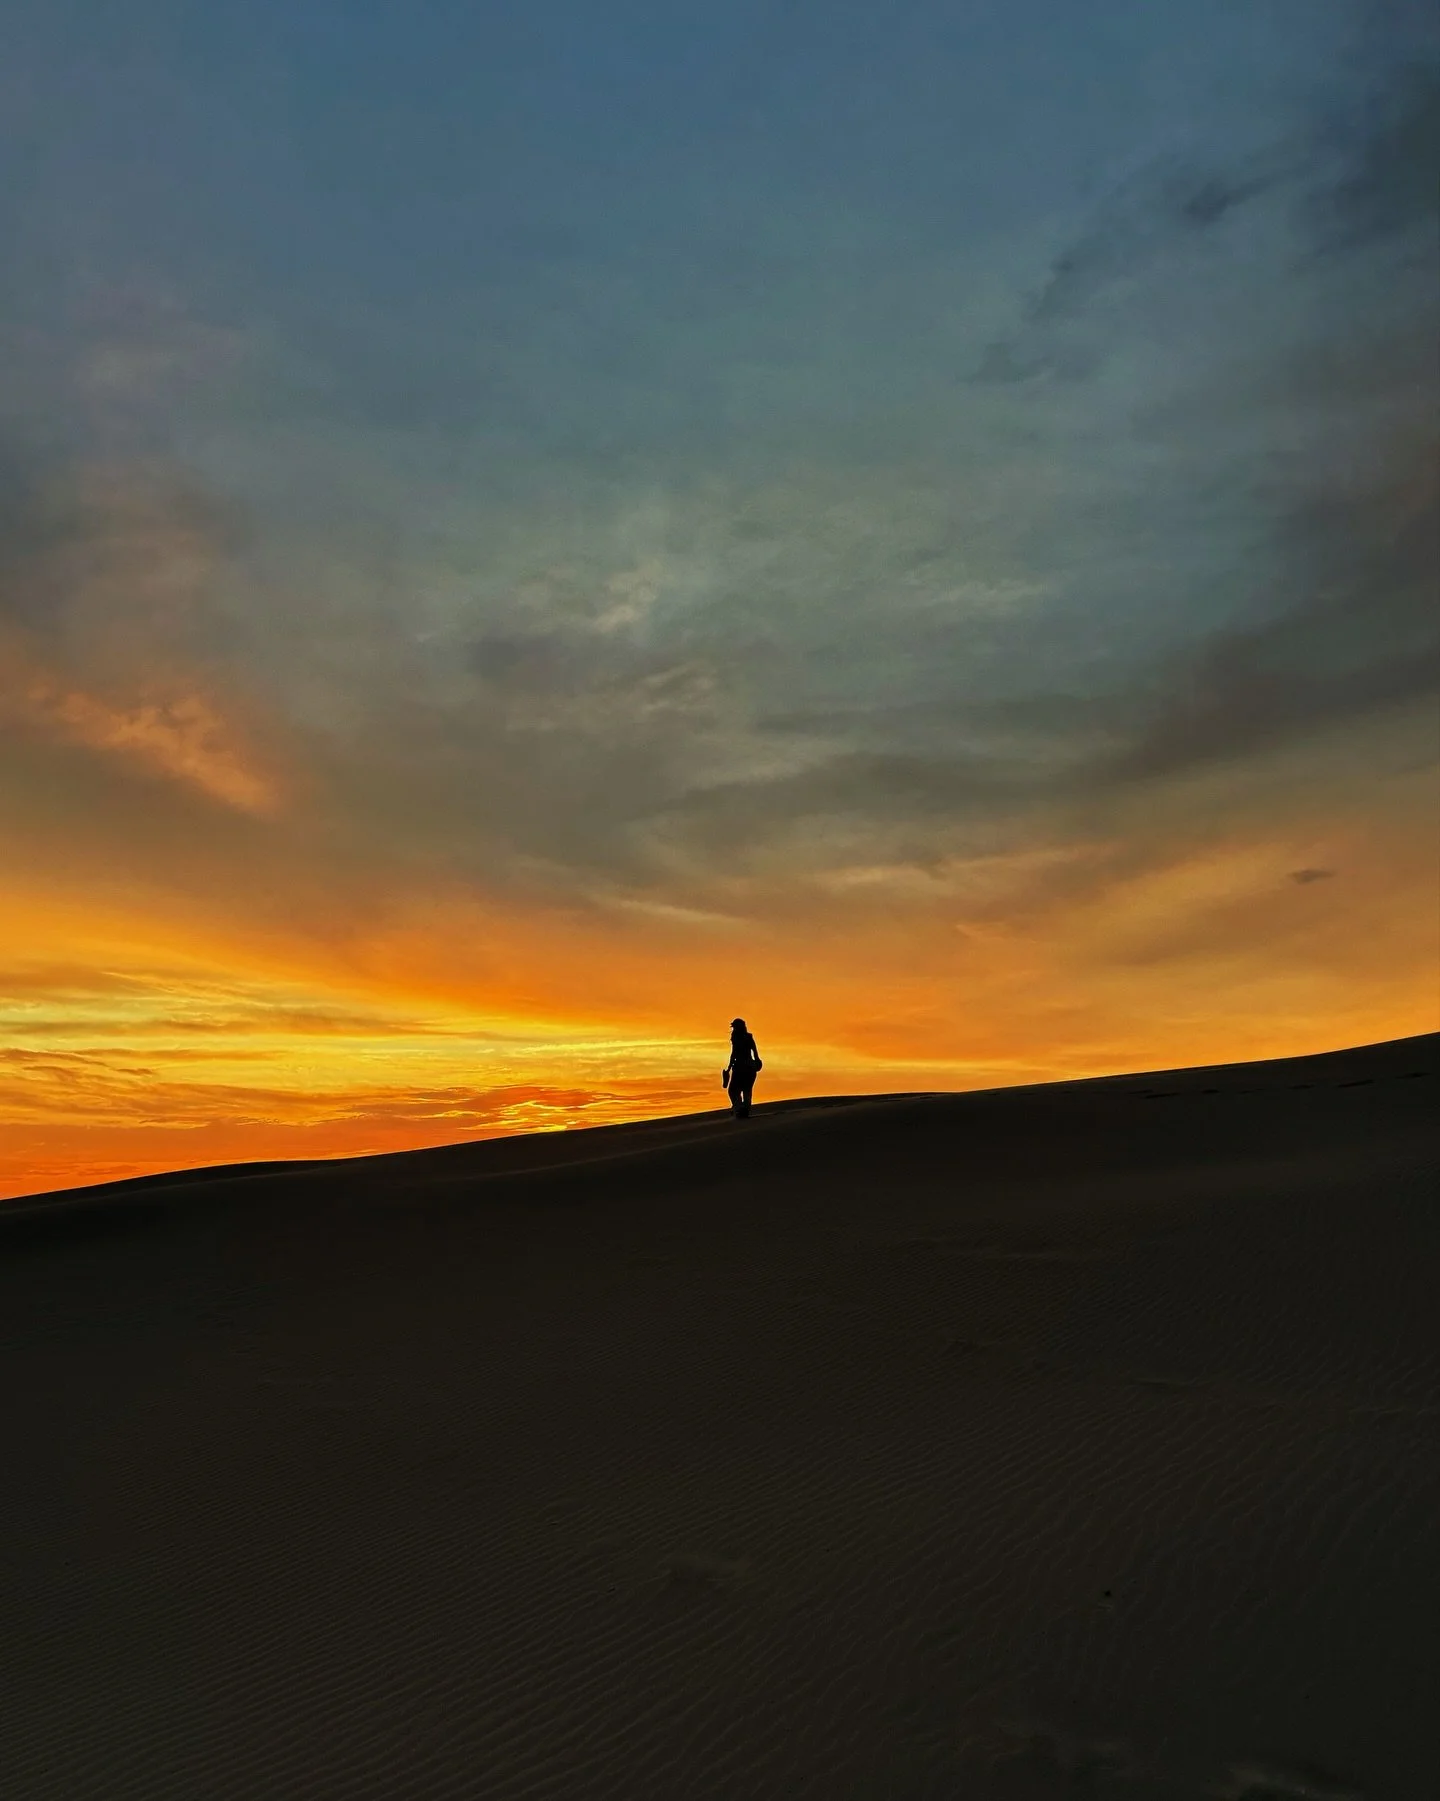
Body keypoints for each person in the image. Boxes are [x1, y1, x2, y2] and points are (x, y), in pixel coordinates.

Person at [723, 1017, 762, 1118]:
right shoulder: (749, 1037)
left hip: (740, 1067)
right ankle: (745, 1110)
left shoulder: (736, 1037)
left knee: (732, 1090)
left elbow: (734, 1053)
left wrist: (729, 1067)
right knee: (747, 1090)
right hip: (750, 1067)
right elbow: (755, 1051)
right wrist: (756, 1061)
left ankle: (739, 1109)